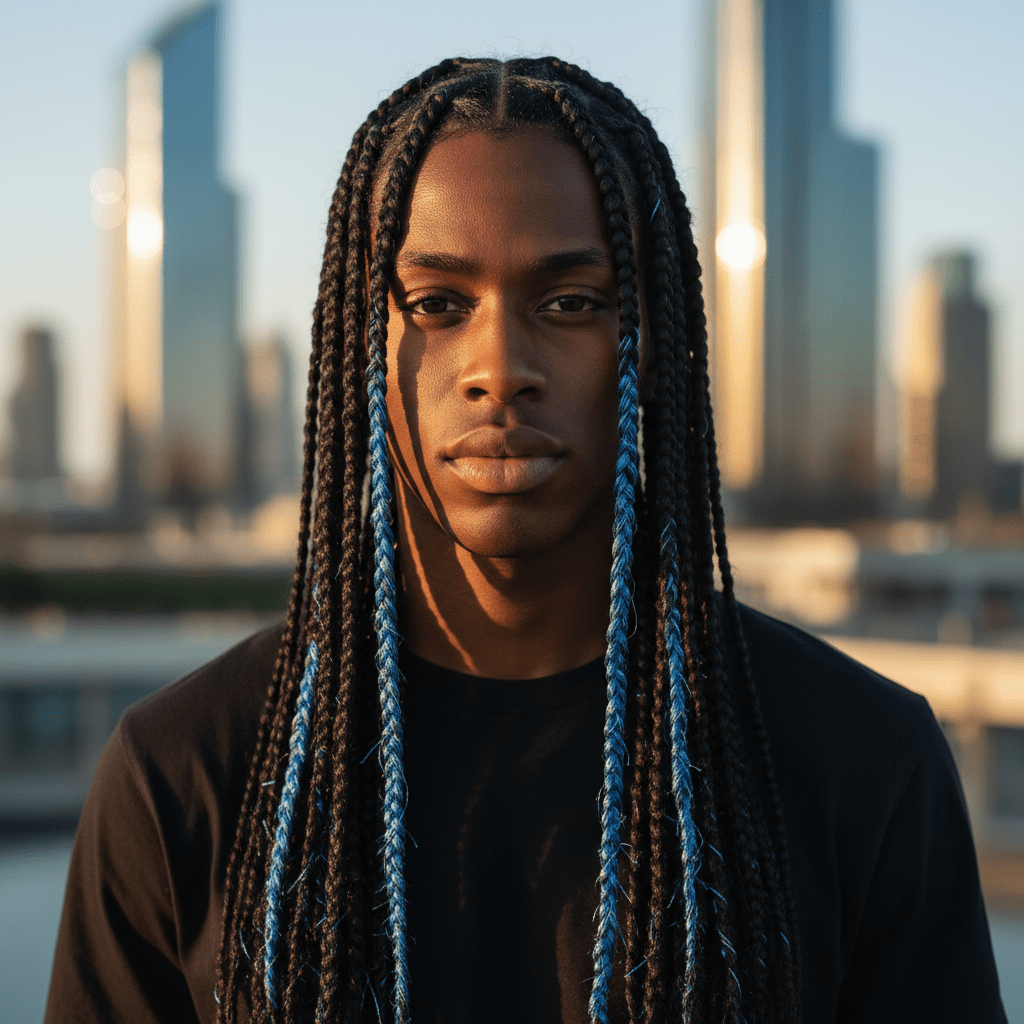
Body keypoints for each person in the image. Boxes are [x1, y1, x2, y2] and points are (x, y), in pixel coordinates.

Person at [45, 57, 1006, 1024]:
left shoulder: (866, 762)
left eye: (571, 303)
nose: (499, 369)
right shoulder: (182, 776)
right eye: (437, 305)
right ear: (360, 349)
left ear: (655, 348)